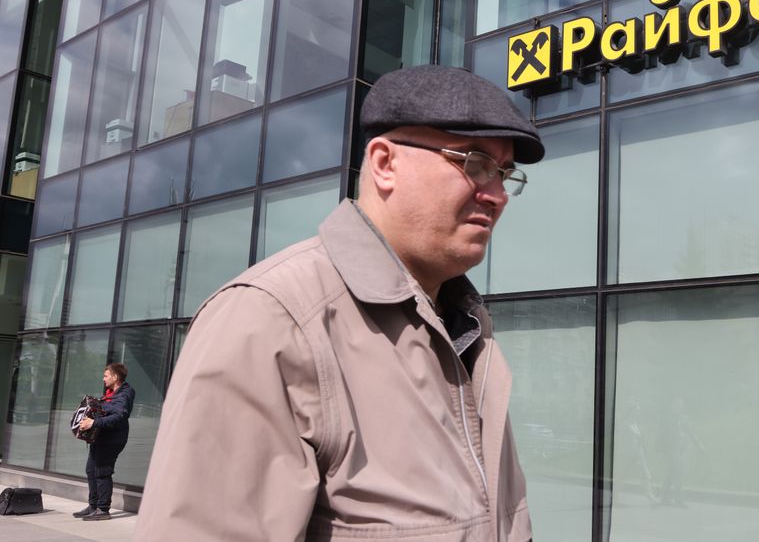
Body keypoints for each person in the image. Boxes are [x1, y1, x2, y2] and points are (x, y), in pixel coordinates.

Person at [136, 66, 544, 541]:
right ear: (385, 163)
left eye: (504, 172)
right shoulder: (271, 319)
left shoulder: (467, 330)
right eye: (475, 163)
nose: (496, 194)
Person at [74, 362, 134, 522]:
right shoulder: (110, 393)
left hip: (112, 440)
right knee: (91, 470)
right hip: (101, 438)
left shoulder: (124, 395)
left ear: (115, 377)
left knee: (102, 472)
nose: (103, 379)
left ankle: (103, 509)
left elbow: (119, 416)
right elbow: (104, 411)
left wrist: (93, 423)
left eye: (106, 375)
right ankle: (93, 506)